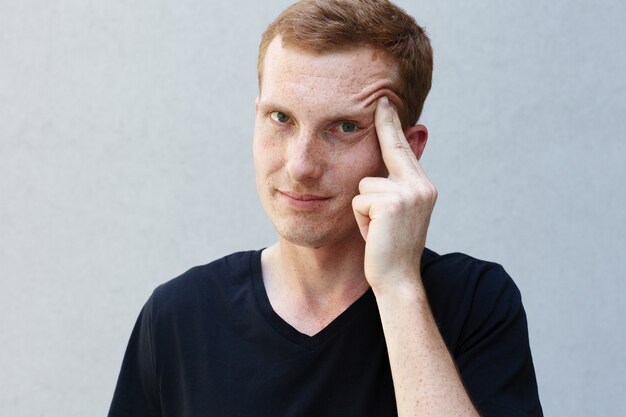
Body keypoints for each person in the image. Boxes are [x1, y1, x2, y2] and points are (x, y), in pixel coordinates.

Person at [108, 1, 543, 416]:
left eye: (345, 127)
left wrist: (397, 287)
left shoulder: (474, 302)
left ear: (407, 151)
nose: (300, 166)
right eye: (281, 119)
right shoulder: (180, 315)